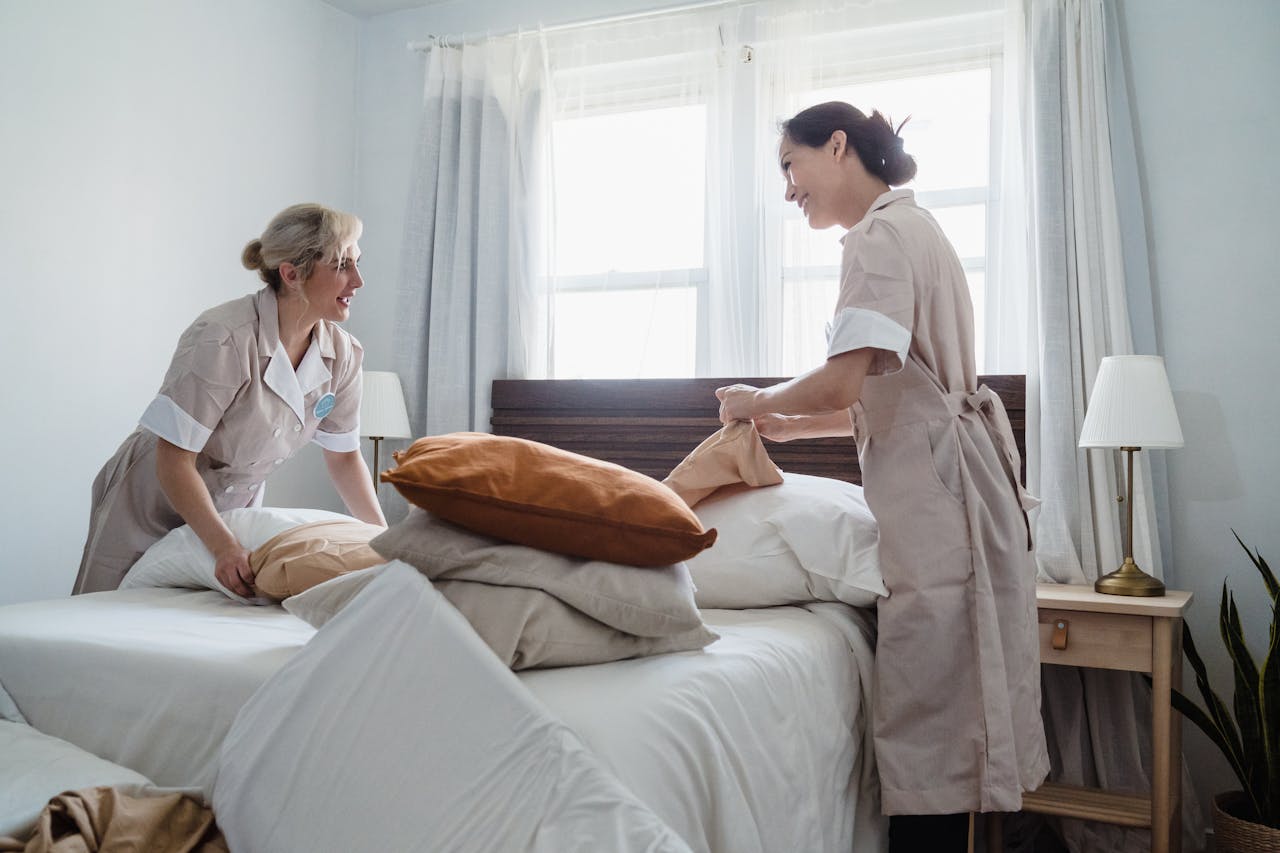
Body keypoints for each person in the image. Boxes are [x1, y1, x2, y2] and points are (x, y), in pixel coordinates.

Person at [716, 102, 1049, 851]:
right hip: (957, 484)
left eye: (789, 166)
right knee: (953, 725)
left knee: (930, 723)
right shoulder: (918, 228)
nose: (788, 189)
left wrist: (756, 400)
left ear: (836, 147)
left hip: (939, 507)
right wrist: (793, 425)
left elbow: (843, 381)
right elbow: (893, 395)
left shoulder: (876, 239)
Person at [75, 203, 387, 598]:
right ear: (292, 274)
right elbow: (173, 457)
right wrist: (223, 547)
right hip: (151, 500)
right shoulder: (223, 337)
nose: (358, 281)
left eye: (357, 263)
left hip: (231, 506)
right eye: (342, 265)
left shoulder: (343, 355)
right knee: (107, 611)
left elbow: (343, 458)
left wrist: (386, 545)